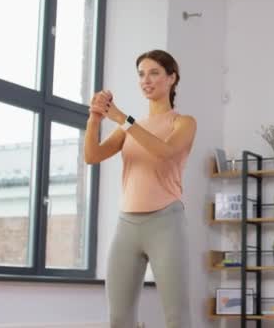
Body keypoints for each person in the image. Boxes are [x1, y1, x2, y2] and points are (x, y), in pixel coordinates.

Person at [84, 49, 197, 328]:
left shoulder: (183, 122)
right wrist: (95, 118)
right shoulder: (129, 128)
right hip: (127, 225)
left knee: (176, 315)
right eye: (141, 74)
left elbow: (165, 151)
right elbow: (92, 156)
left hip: (166, 223)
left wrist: (123, 118)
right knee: (119, 317)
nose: (146, 80)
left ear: (172, 78)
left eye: (154, 73)